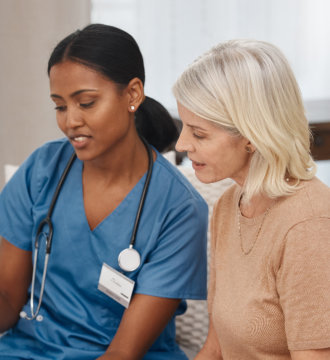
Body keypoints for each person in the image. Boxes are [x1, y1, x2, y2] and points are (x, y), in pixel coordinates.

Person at [0, 24, 208, 360]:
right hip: (28, 352)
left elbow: (123, 353)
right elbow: (8, 302)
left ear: (132, 95)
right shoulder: (41, 170)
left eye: (86, 102)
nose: (71, 121)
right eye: (60, 106)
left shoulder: (179, 209)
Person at [172, 39, 330, 359]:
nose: (181, 144)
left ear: (251, 135)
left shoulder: (308, 226)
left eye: (198, 133)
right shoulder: (229, 205)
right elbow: (215, 348)